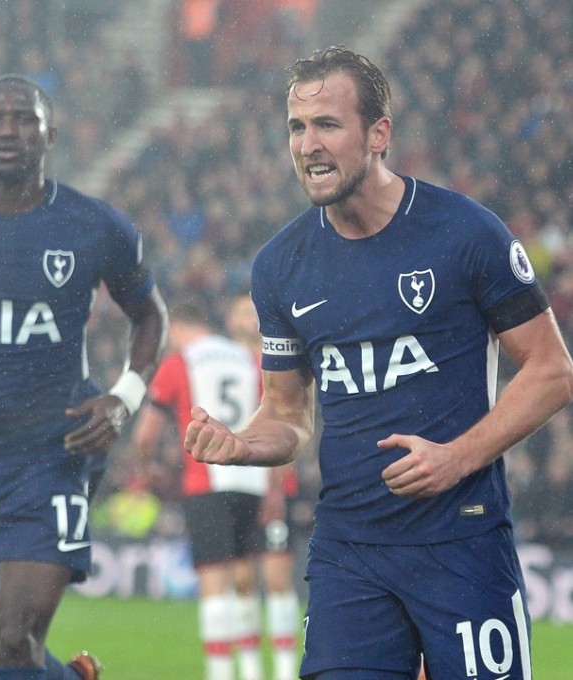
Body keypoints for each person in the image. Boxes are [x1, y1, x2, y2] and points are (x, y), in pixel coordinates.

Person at [185, 46, 573, 679]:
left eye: (327, 125)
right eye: (297, 127)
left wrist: (458, 457)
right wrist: (244, 444)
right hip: (349, 551)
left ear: (378, 134)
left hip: (463, 540)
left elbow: (552, 371)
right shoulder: (280, 266)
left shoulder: (464, 232)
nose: (308, 144)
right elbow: (286, 414)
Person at [0, 74, 168, 680]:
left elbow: (150, 315)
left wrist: (123, 399)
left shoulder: (94, 225)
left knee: (15, 643)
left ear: (51, 135)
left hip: (53, 453)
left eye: (24, 118)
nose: (9, 130)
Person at [133, 299, 296, 680]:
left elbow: (145, 435)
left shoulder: (181, 361)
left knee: (217, 585)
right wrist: (275, 489)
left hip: (207, 482)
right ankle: (271, 672)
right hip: (257, 479)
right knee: (253, 581)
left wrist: (145, 468)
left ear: (176, 327)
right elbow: (282, 422)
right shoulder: (248, 360)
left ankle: (223, 674)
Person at [224, 292, 301, 680]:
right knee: (241, 582)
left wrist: (277, 486)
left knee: (276, 579)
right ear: (229, 320)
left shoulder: (275, 366)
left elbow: (290, 423)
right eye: (239, 312)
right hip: (233, 487)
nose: (245, 319)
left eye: (250, 312)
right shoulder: (221, 366)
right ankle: (251, 671)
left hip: (273, 486)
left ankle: (286, 672)